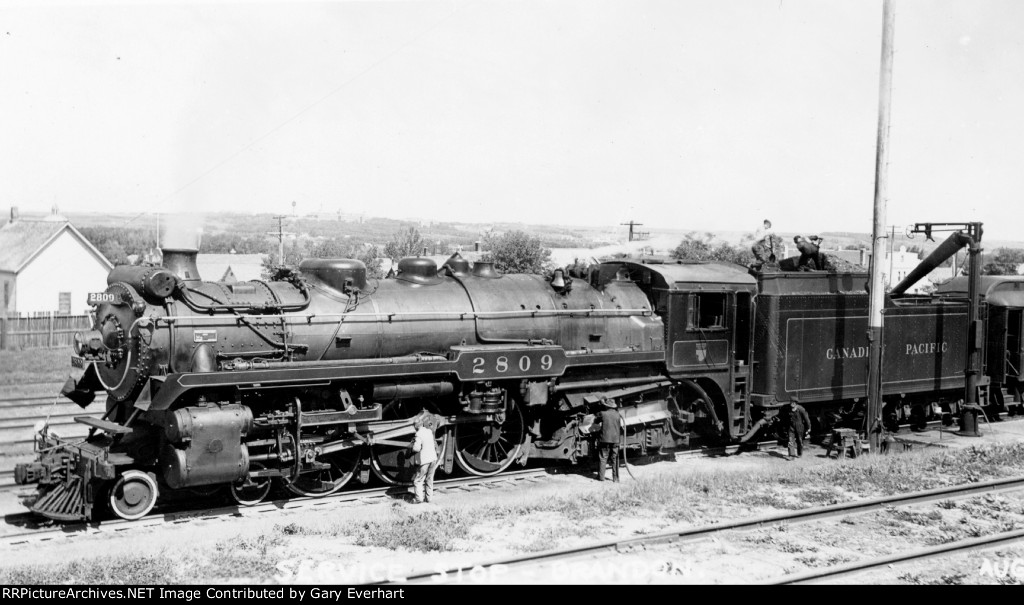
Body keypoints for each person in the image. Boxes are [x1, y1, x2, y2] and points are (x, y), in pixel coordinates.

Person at [410, 414, 439, 503]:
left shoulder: (418, 434)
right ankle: (429, 499)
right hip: (433, 459)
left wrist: (412, 446)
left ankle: (419, 500)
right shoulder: (429, 431)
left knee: (418, 480)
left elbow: (416, 448)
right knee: (429, 479)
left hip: (425, 460)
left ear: (415, 426)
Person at [596, 399, 623, 482]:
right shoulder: (618, 415)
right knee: (615, 458)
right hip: (615, 440)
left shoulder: (603, 414)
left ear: (606, 406)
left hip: (605, 440)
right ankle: (616, 478)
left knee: (603, 458)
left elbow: (596, 420)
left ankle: (601, 477)